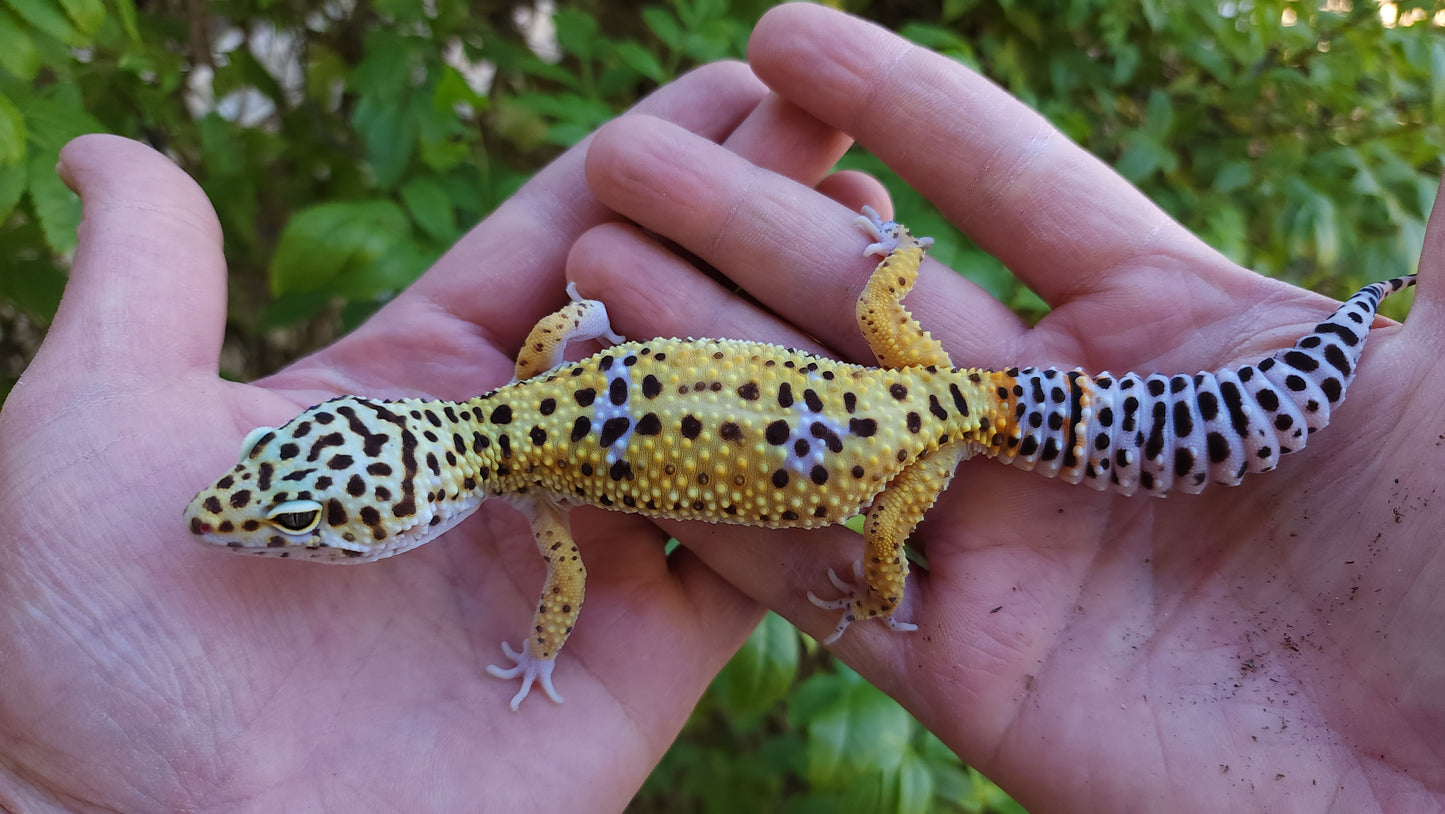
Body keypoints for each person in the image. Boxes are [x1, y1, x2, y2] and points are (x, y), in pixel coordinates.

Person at [1, 4, 1439, 812]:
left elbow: (556, 601)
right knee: (900, 348)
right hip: (922, 392)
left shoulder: (549, 504)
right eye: (307, 505)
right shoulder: (540, 377)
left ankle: (912, 560)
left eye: (306, 502)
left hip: (924, 445)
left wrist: (884, 587)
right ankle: (1300, 356)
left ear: (428, 490)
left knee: (886, 565)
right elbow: (570, 318)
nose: (284, 522)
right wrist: (855, 286)